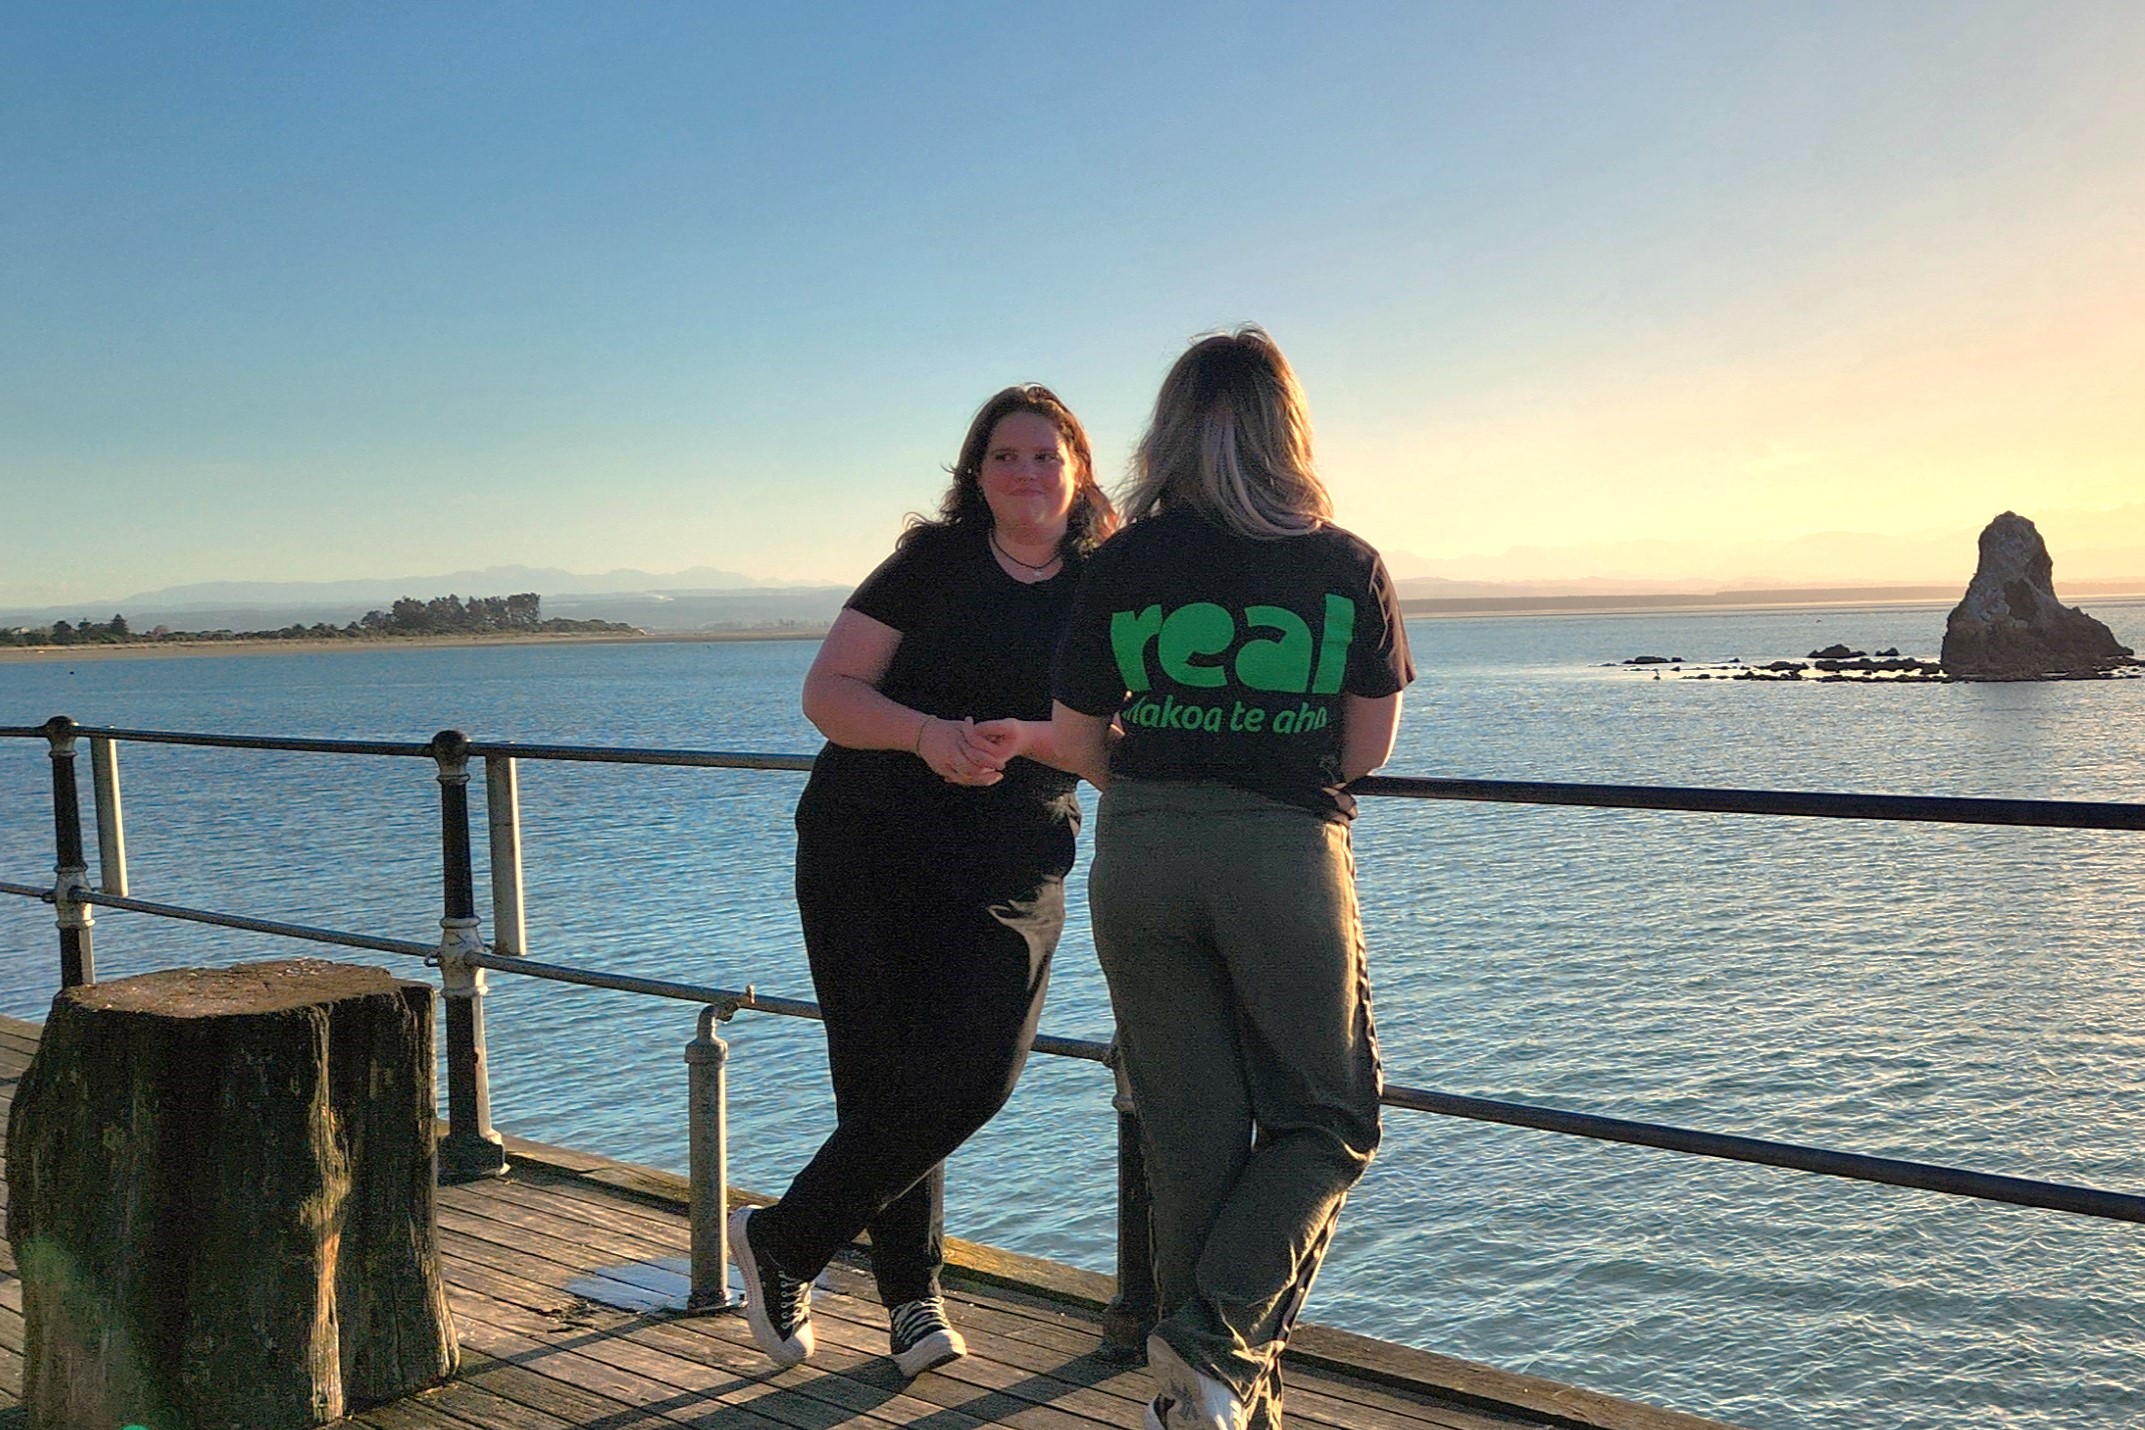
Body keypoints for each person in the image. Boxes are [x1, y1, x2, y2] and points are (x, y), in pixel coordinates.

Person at [1051, 328, 1412, 1430]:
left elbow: (1075, 736)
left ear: (1167, 432)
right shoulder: (1343, 563)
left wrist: (1166, 783)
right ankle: (1214, 1345)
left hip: (1143, 854)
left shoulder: (1120, 563)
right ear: (1286, 428)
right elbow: (1367, 748)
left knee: (1191, 1134)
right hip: (1281, 854)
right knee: (1329, 1117)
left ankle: (1212, 1400)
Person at [730, 385, 1117, 1379]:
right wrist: (925, 733)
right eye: (1005, 456)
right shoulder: (931, 563)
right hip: (868, 839)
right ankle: (912, 1300)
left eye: (1046, 453)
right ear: (975, 474)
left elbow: (1122, 752)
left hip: (1014, 855)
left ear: (1077, 467)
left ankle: (787, 1237)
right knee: (881, 1073)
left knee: (977, 1064)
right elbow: (828, 691)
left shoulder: (1110, 585)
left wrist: (1033, 738)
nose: (1027, 473)